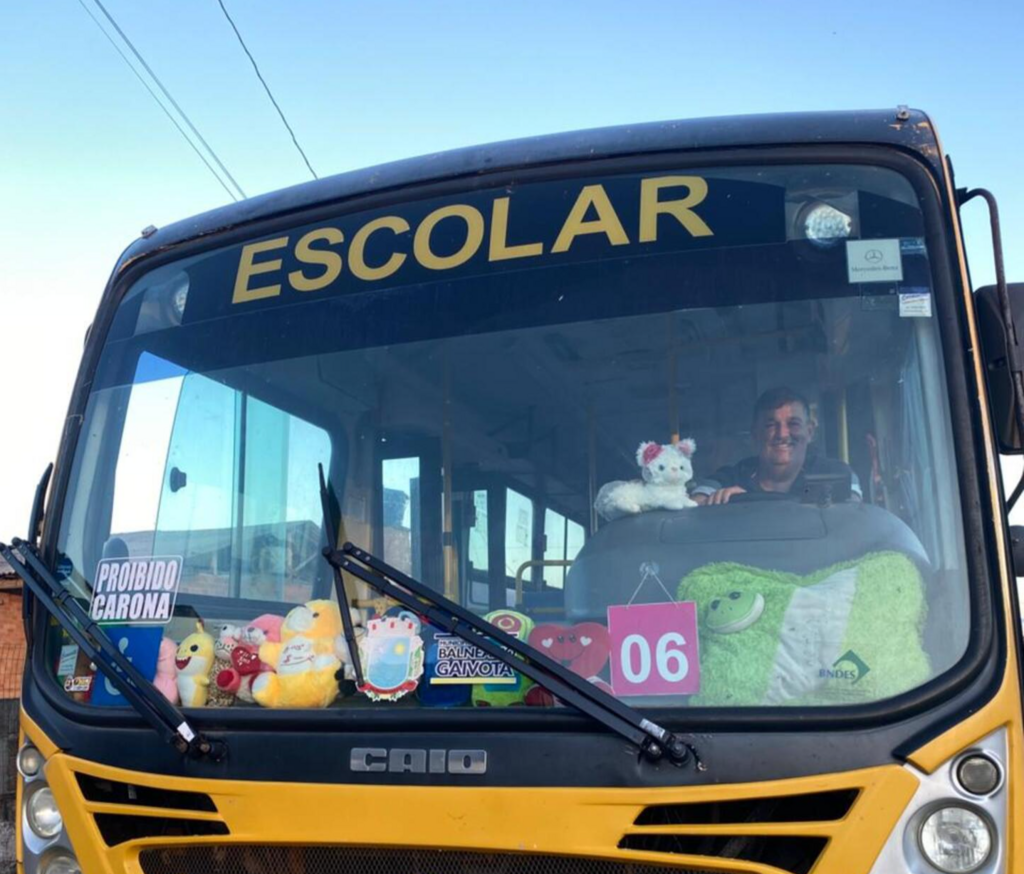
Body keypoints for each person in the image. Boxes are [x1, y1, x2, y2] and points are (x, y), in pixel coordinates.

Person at [691, 387, 861, 505]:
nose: (782, 434)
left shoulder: (834, 473)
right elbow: (693, 505)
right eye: (770, 425)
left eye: (793, 423)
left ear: (810, 432)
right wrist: (723, 506)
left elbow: (855, 512)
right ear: (755, 434)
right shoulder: (731, 478)